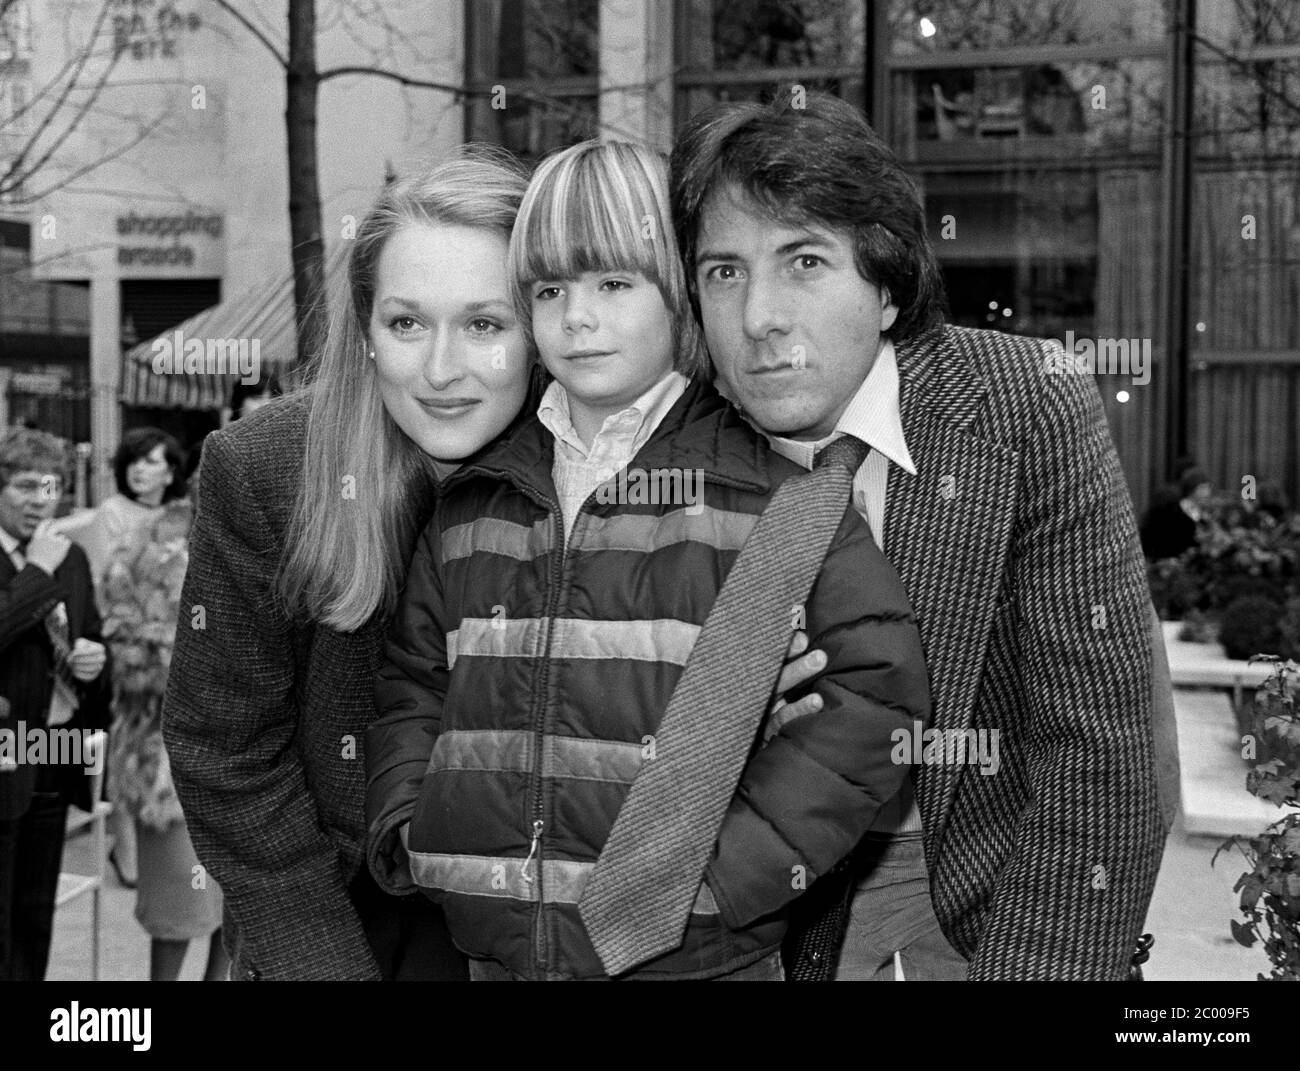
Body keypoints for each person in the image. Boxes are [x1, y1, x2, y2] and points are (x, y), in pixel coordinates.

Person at [162, 148, 836, 981]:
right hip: (330, 914)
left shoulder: (622, 469)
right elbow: (224, 752)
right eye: (406, 323)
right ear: (365, 332)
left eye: (485, 324)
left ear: (541, 328)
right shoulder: (268, 469)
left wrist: (732, 703)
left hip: (555, 934)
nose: (442, 370)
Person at [364, 139, 930, 981]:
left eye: (613, 284)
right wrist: (416, 832)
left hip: (694, 964)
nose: (576, 317)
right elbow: (415, 681)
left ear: (679, 293)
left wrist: (718, 880)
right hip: (494, 958)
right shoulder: (480, 498)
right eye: (548, 289)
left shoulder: (771, 495)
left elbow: (871, 698)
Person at [670, 91, 1166, 980]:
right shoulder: (679, 451)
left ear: (888, 287)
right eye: (724, 272)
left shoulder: (1023, 408)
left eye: (804, 261)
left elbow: (1101, 757)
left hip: (981, 895)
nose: (758, 318)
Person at [98, 436, 227, 981]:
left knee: (235, 904)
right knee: (178, 906)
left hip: (247, 758)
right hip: (166, 759)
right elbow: (125, 651)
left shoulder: (254, 553)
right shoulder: (145, 551)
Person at [56, 427, 192, 890]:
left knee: (166, 747)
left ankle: (160, 842)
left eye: (151, 460)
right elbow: (102, 584)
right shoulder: (110, 514)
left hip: (179, 649)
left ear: (170, 470)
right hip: (130, 648)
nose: (140, 469)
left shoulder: (185, 515)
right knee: (126, 743)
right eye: (133, 460)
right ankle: (126, 846)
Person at [0, 428, 110, 980]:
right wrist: (37, 571)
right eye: (25, 485)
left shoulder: (70, 558)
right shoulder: (46, 559)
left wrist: (94, 658)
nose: (41, 498)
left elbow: (89, 635)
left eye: (53, 486)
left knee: (37, 912)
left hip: (56, 744)